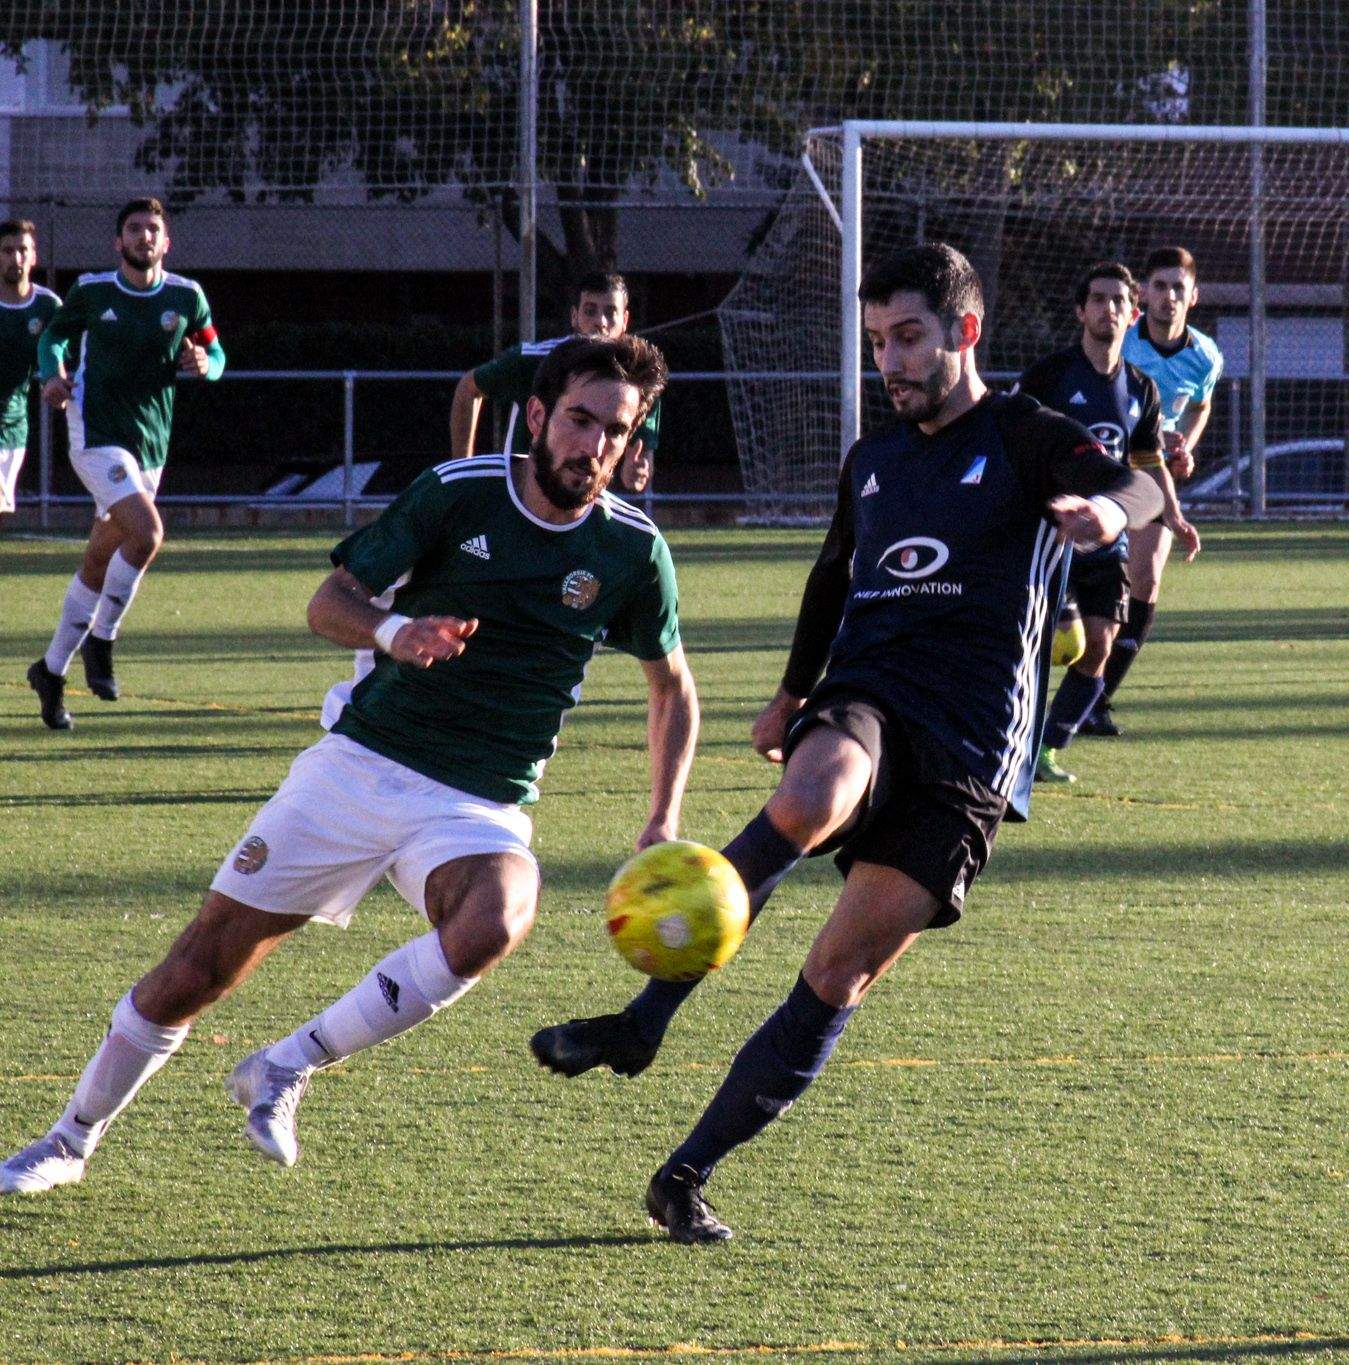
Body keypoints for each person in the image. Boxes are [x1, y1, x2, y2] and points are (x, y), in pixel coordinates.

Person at [527, 242, 1162, 1244]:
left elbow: (1142, 491)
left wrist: (1098, 510)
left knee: (838, 973)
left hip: (970, 749)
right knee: (812, 796)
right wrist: (788, 696)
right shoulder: (870, 460)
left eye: (907, 338)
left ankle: (684, 1174)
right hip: (867, 692)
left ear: (964, 331)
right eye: (876, 343)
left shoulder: (1027, 433)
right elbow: (831, 578)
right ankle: (642, 1022)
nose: (890, 362)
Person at [0, 336, 693, 1195]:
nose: (593, 445)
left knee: (496, 918)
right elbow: (329, 603)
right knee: (199, 969)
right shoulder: (456, 493)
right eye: (580, 420)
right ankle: (69, 1139)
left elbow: (673, 689)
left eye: (615, 432)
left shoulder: (632, 549)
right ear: (541, 415)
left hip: (479, 804)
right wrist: (397, 634)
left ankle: (286, 1065)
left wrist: (662, 818)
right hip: (360, 764)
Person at [27, 198, 224, 730]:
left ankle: (49, 671)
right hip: (95, 436)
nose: (143, 237)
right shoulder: (93, 290)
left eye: (152, 230)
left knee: (99, 561)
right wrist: (52, 374)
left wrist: (206, 364)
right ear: (118, 242)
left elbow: (217, 352)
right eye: (133, 229)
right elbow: (53, 338)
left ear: (166, 242)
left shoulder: (187, 296)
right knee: (148, 534)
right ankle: (103, 640)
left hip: (150, 447)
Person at [1015, 260, 1197, 783]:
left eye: (1119, 301)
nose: (1108, 309)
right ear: (1081, 310)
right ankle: (1009, 739)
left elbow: (1146, 462)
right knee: (1054, 644)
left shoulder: (1142, 389)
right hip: (1050, 537)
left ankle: (1047, 748)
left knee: (1098, 646)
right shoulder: (1049, 377)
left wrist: (1174, 515)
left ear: (1132, 313)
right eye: (1098, 299)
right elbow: (1011, 439)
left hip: (1107, 538)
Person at [1090, 245, 1217, 735]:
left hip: (1151, 475)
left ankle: (1096, 700)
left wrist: (1185, 443)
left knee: (1146, 579)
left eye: (1177, 288)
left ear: (1193, 297)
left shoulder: (1205, 356)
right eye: (1159, 287)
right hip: (1104, 470)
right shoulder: (1123, 339)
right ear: (1142, 295)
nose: (1168, 297)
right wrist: (1148, 433)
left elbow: (1200, 406)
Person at [450, 271, 662, 494]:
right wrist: (463, 472)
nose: (601, 322)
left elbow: (641, 458)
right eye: (590, 311)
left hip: (585, 503)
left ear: (625, 320)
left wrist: (635, 472)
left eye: (611, 312)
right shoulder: (532, 361)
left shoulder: (637, 380)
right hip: (520, 497)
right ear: (574, 316)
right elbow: (468, 389)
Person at [0, 219, 59, 534]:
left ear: (34, 255)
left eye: (23, 250)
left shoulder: (49, 306)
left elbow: (67, 353)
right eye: (7, 250)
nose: (16, 258)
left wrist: (58, 380)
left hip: (11, 427)